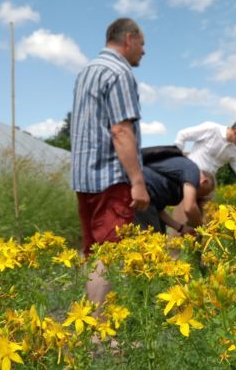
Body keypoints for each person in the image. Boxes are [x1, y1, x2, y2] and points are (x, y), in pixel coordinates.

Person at [70, 17, 148, 307]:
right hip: (110, 179)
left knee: (93, 252)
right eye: (142, 43)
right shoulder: (118, 72)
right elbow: (120, 130)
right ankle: (101, 333)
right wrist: (138, 181)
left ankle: (90, 321)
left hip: (84, 178)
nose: (143, 50)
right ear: (128, 39)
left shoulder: (87, 71)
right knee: (110, 253)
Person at [135, 155, 215, 234]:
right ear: (204, 182)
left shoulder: (179, 189)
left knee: (161, 235)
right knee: (153, 238)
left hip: (146, 197)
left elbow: (160, 211)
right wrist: (202, 229)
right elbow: (189, 208)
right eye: (204, 193)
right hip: (141, 191)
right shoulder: (193, 170)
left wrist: (181, 228)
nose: (201, 196)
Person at [174, 120, 236, 192]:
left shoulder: (235, 150)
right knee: (187, 209)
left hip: (208, 185)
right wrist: (180, 162)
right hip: (190, 179)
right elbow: (182, 134)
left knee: (209, 210)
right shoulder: (211, 129)